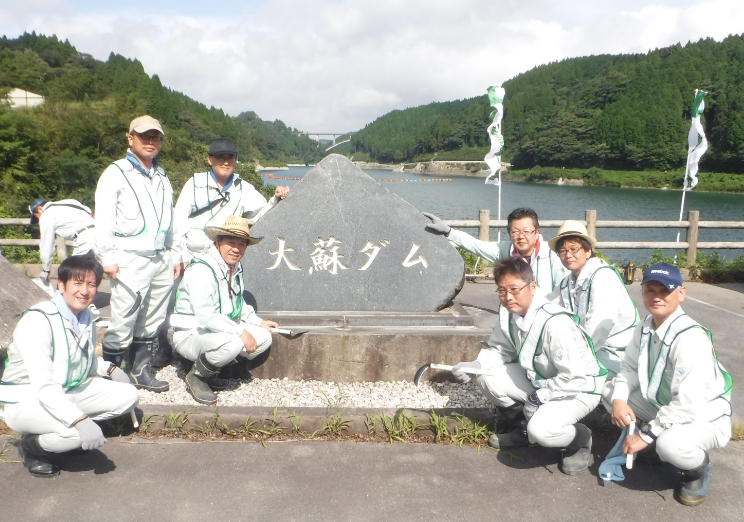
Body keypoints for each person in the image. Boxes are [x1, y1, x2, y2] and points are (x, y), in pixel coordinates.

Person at [451, 257, 607, 475]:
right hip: (541, 378)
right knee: (487, 377)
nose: (508, 297)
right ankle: (522, 430)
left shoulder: (555, 323)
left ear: (532, 287)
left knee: (541, 431)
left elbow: (574, 377)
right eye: (502, 290)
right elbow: (500, 349)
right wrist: (476, 365)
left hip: (578, 388)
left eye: (515, 289)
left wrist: (538, 398)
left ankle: (580, 438)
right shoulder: (509, 312)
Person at [602, 263, 732, 506]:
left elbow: (687, 403)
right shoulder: (644, 326)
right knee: (610, 393)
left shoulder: (691, 338)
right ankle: (652, 439)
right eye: (651, 289)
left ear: (681, 293)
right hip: (665, 404)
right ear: (642, 292)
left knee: (670, 446)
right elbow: (629, 368)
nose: (657, 297)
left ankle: (697, 470)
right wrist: (620, 400)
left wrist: (647, 436)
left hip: (703, 416)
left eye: (665, 290)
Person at [0, 254, 139, 478]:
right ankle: (32, 447)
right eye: (78, 282)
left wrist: (109, 369)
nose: (85, 291)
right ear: (61, 285)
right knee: (76, 434)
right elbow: (44, 386)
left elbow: (80, 359)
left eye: (91, 284)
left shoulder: (84, 316)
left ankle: (62, 431)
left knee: (129, 395)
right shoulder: (39, 320)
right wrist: (80, 420)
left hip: (63, 391)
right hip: (26, 400)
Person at [94, 115, 181, 392]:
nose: (151, 141)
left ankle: (141, 372)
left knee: (153, 316)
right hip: (129, 257)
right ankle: (112, 376)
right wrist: (107, 257)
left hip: (160, 257)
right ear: (130, 138)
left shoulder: (163, 176)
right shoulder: (115, 173)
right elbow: (104, 219)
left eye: (155, 137)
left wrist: (176, 252)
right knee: (125, 315)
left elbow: (171, 219)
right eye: (144, 136)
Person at [169, 216, 277, 405]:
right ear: (218, 242)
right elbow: (205, 317)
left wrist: (257, 322)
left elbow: (238, 302)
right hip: (190, 334)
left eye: (242, 244)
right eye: (231, 242)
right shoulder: (201, 269)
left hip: (216, 331)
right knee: (233, 343)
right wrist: (241, 331)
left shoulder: (234, 267)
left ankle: (213, 371)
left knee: (264, 337)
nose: (236, 248)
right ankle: (197, 377)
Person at [173, 137, 288, 263]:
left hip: (223, 262)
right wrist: (179, 258)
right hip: (190, 257)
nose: (226, 162)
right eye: (220, 157)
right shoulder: (195, 183)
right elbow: (178, 222)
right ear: (210, 159)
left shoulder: (243, 188)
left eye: (230, 158)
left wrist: (276, 199)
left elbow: (261, 215)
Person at [547, 220, 639, 377]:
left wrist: (573, 356)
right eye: (562, 251)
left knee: (565, 372)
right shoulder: (567, 281)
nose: (568, 255)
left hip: (619, 354)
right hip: (595, 348)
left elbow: (598, 328)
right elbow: (548, 307)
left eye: (574, 249)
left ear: (588, 251)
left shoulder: (603, 276)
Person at [423, 207, 567, 294]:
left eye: (526, 231)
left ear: (537, 232)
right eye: (515, 231)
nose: (521, 236)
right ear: (509, 232)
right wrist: (449, 232)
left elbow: (563, 290)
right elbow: (476, 245)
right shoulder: (505, 250)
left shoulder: (552, 253)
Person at [29, 198, 95, 289]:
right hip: (101, 232)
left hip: (86, 238)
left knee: (69, 273)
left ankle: (66, 301)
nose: (38, 219)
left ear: (40, 209)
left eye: (36, 216)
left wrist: (45, 270)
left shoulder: (46, 215)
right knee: (93, 271)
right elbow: (88, 211)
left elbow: (47, 245)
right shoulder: (68, 202)